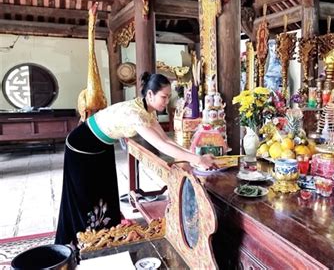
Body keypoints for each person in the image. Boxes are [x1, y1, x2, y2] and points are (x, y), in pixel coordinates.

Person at [55, 72, 216, 246]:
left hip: (101, 148)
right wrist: (198, 160)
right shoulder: (136, 115)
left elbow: (167, 140)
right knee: (85, 200)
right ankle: (84, 245)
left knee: (105, 194)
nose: (166, 101)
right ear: (149, 95)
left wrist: (195, 157)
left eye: (168, 96)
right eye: (163, 96)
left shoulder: (147, 110)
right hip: (81, 147)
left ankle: (108, 239)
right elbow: (161, 146)